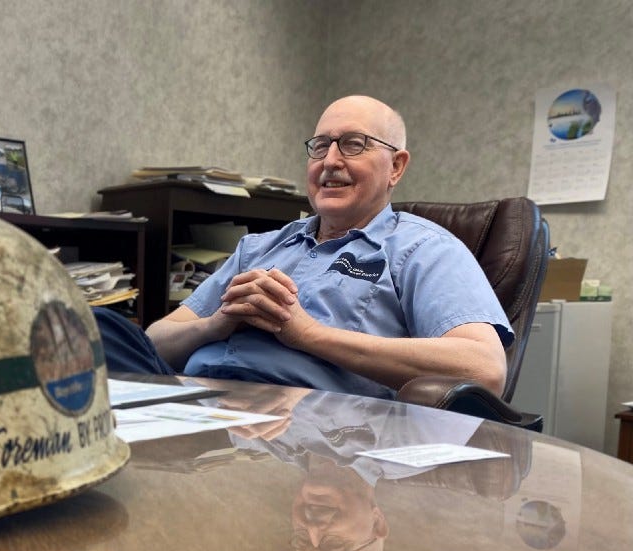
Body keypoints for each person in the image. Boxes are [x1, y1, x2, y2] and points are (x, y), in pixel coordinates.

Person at [96, 95, 513, 400]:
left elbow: (483, 369)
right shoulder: (258, 248)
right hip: (194, 404)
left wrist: (307, 334)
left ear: (396, 167)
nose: (330, 160)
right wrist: (217, 324)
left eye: (354, 144)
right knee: (94, 327)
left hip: (305, 427)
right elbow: (156, 341)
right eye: (319, 146)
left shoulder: (423, 249)